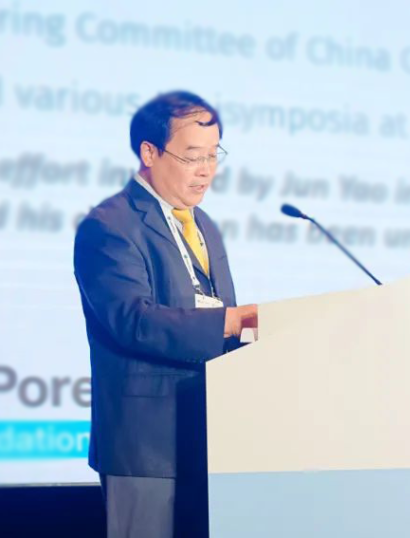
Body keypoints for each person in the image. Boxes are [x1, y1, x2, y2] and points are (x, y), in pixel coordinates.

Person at [73, 90, 257, 538]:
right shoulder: (109, 225)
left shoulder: (204, 224)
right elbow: (133, 320)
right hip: (144, 444)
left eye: (213, 155)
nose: (206, 170)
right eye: (193, 156)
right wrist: (231, 321)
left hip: (211, 435)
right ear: (149, 153)